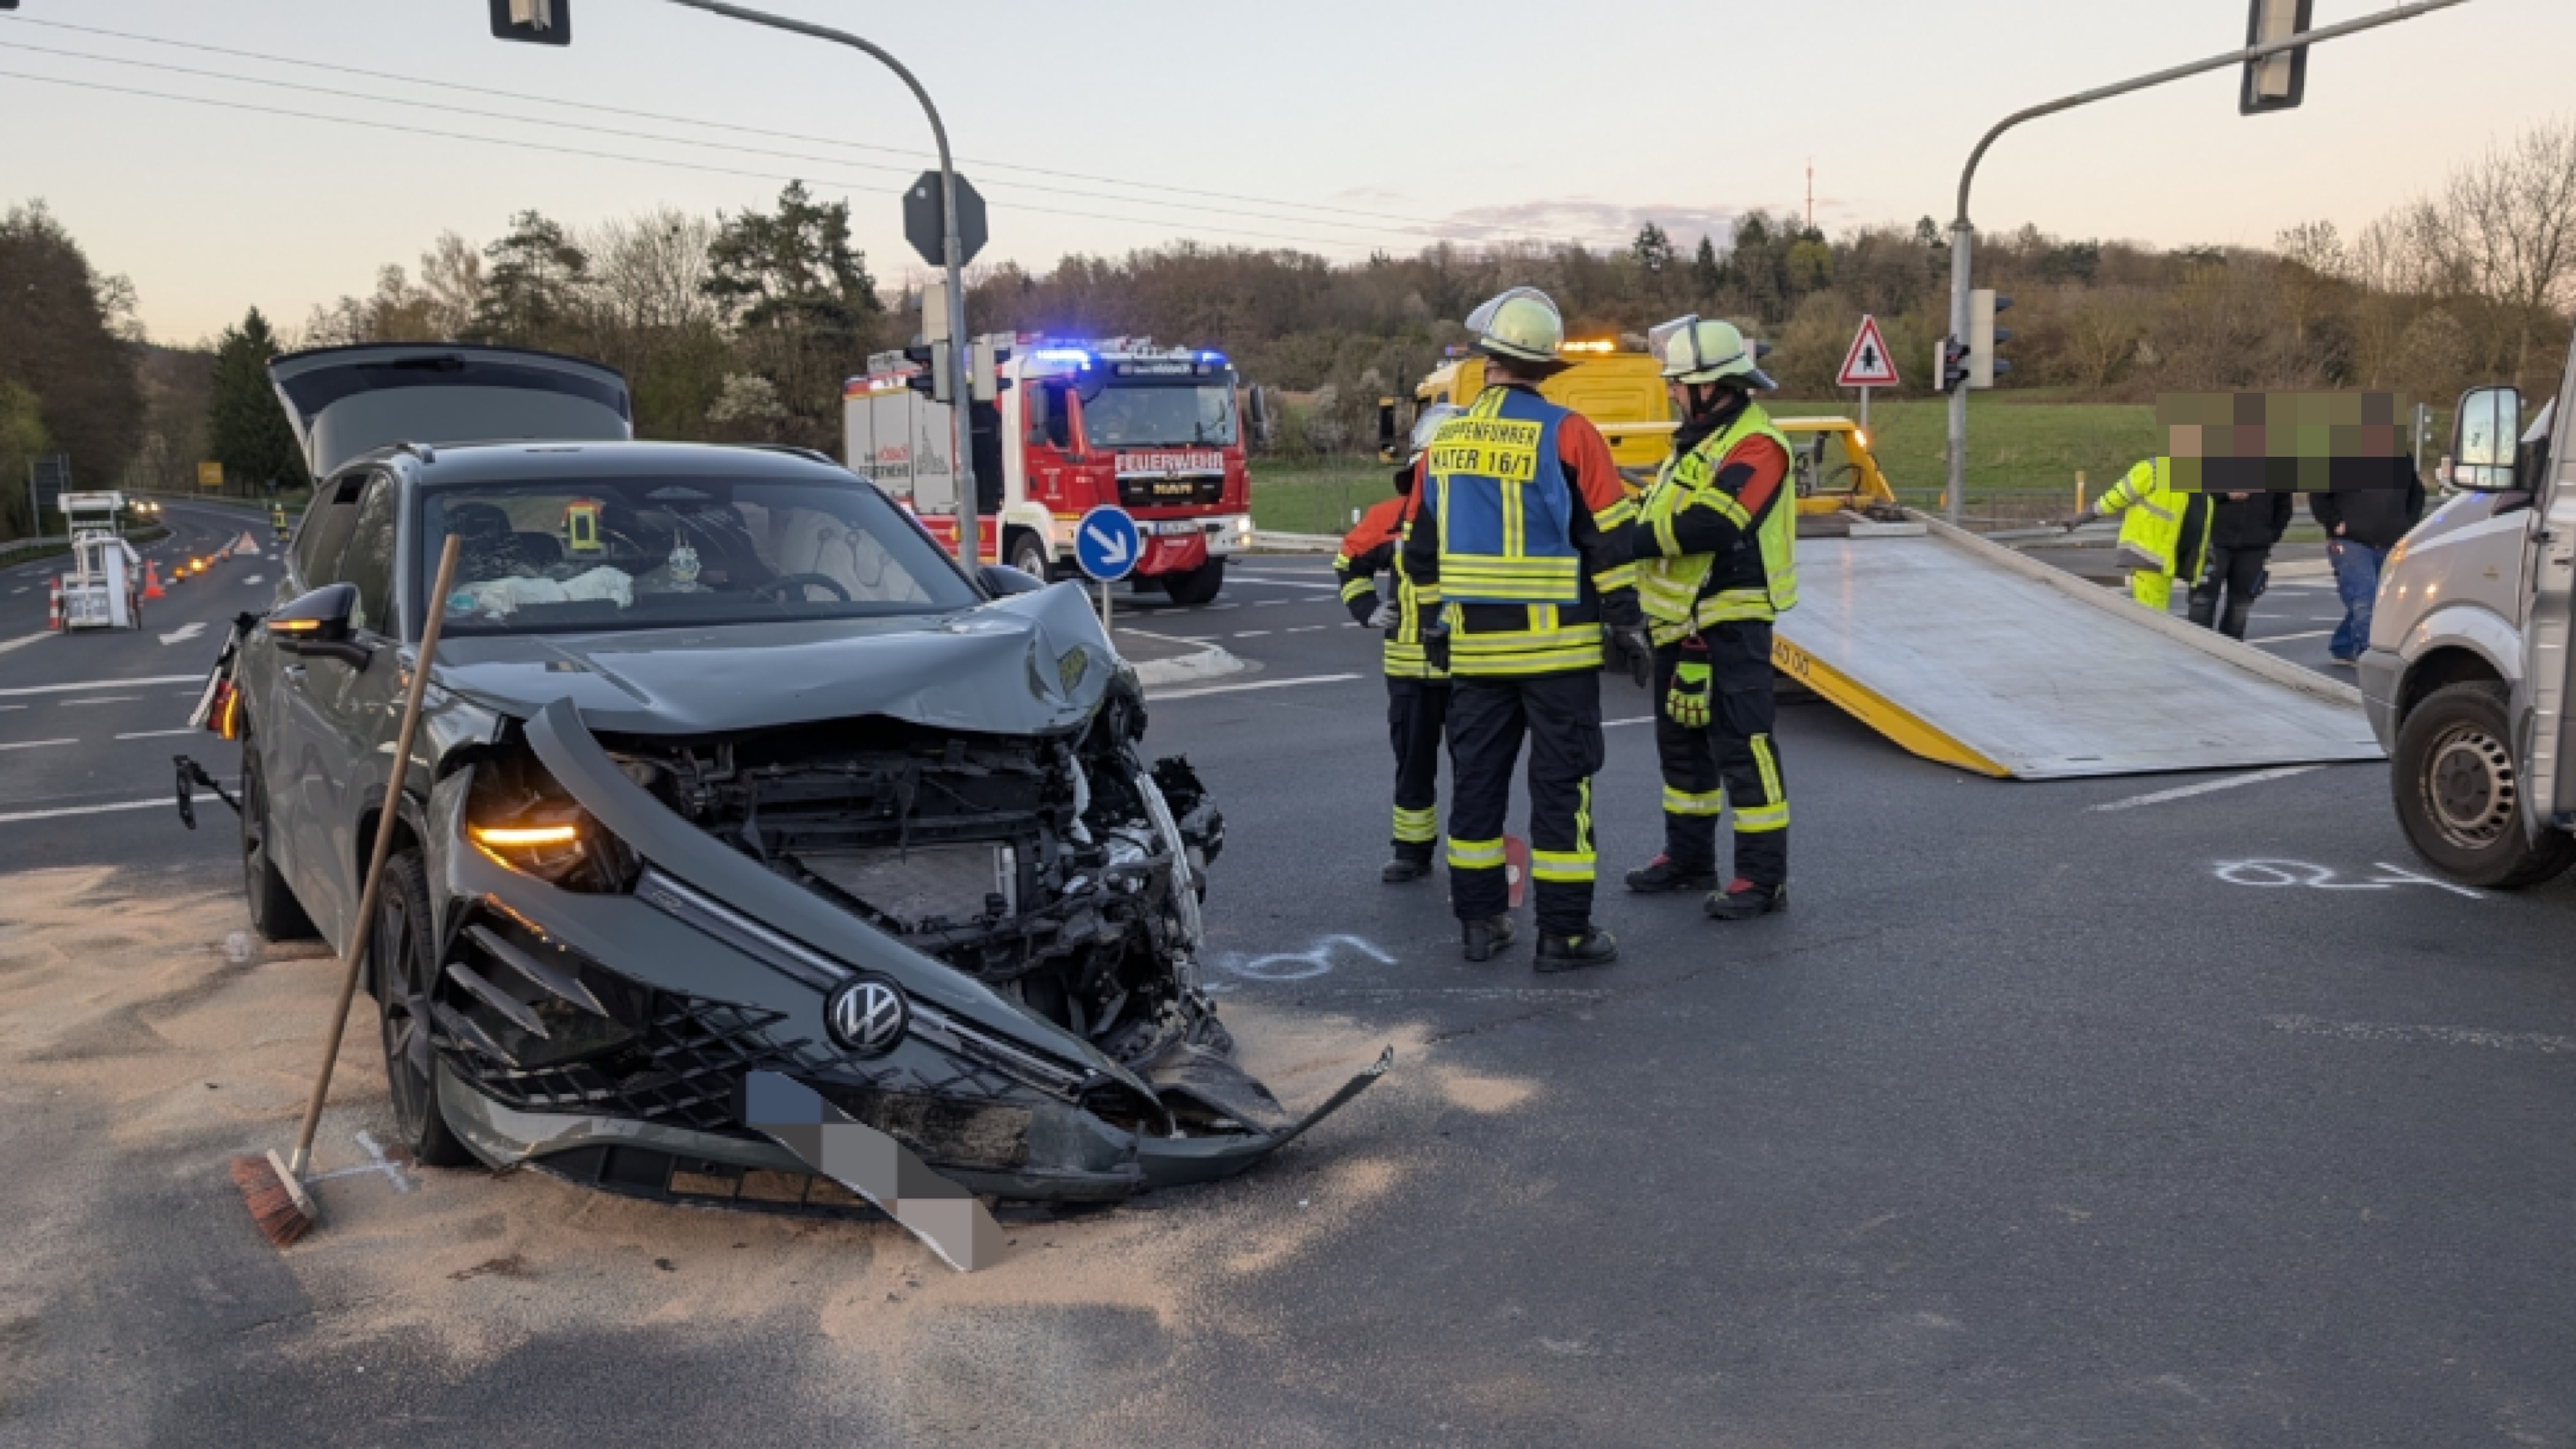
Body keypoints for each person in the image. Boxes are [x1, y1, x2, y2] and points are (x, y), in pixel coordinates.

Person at [1402, 287, 1643, 969]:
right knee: (1562, 792)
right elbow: (1610, 543)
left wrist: (1435, 626)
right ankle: (1563, 935)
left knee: (1476, 788)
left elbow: (1418, 553)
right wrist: (1626, 627)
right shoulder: (1571, 434)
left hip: (1475, 653)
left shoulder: (1443, 442)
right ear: (1545, 367)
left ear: (1487, 361)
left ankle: (1480, 925)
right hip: (1559, 654)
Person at [1621, 318, 1796, 921]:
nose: (1673, 393)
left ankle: (1762, 879)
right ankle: (1690, 860)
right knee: (1683, 750)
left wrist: (1632, 541)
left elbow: (1717, 525)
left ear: (1714, 386)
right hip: (1680, 626)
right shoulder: (1692, 445)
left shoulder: (1757, 444)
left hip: (1732, 623)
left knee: (1743, 749)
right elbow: (1670, 515)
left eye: (1679, 384)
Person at [1336, 403, 1462, 883]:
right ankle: (1412, 851)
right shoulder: (1391, 517)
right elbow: (1349, 562)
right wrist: (1367, 609)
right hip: (1410, 669)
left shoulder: (1485, 519)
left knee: (1475, 770)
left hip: (1469, 667)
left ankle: (1474, 853)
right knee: (1413, 765)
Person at [2308, 456, 2426, 667]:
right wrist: (2334, 522)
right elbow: (2318, 494)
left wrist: (2407, 523)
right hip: (2352, 541)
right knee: (2365, 596)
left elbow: (2416, 493)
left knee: (2379, 601)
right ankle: (2367, 658)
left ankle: (2343, 646)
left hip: (2391, 542)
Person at [2064, 457, 2211, 613]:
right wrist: (2081, 518)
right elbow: (2115, 498)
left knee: (2154, 616)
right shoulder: (2156, 472)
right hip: (2152, 559)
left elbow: (2198, 521)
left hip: (2162, 561)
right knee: (2152, 618)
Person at [2189, 485, 2294, 639]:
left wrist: (2269, 536)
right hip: (2213, 541)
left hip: (2254, 547)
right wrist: (2224, 494)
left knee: (2240, 604)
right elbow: (2195, 492)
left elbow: (2284, 506)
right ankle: (2195, 648)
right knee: (2203, 599)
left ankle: (2231, 653)